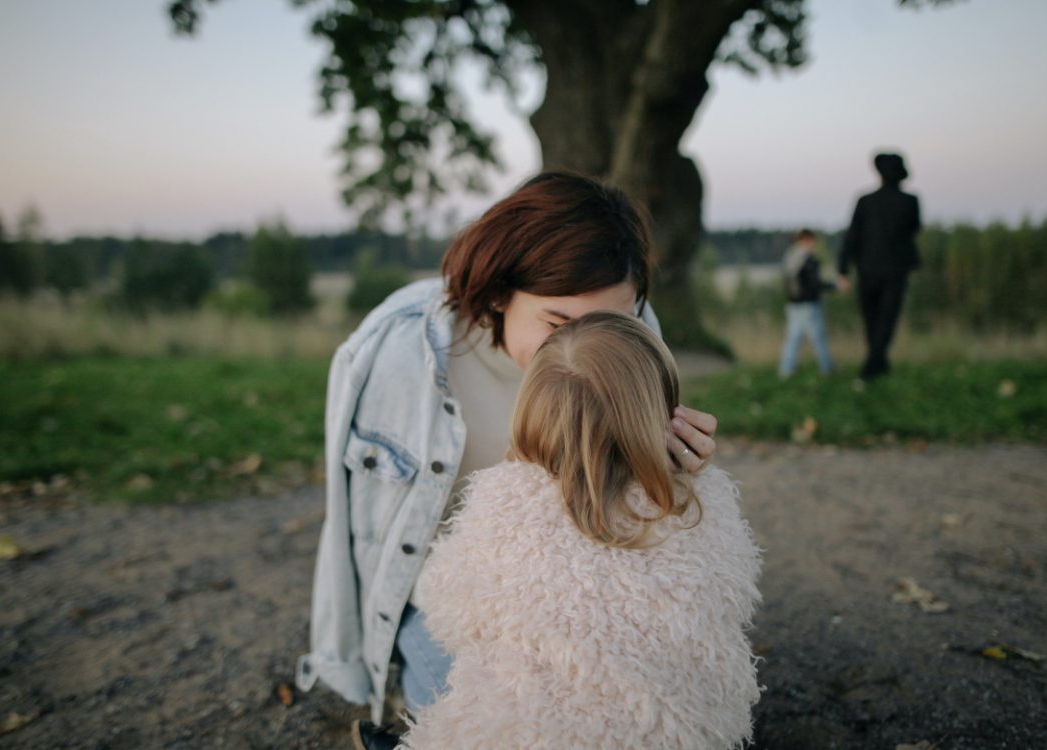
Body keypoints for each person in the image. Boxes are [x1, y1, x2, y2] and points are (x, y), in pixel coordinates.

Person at [295, 172, 721, 735]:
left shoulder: (638, 340)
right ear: (500, 292)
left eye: (613, 323)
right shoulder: (399, 354)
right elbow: (357, 530)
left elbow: (631, 514)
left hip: (575, 592)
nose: (585, 347)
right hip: (446, 600)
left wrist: (674, 467)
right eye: (557, 322)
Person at [399, 311, 762, 750]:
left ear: (532, 406)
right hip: (679, 734)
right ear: (663, 412)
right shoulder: (697, 501)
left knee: (418, 637)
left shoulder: (505, 497)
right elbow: (736, 598)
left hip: (529, 737)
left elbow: (448, 611)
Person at [837, 152, 922, 380]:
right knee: (887, 318)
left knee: (872, 318)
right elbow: (914, 229)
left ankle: (872, 366)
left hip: (868, 269)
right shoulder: (910, 202)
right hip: (896, 270)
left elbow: (852, 236)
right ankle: (877, 364)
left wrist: (843, 269)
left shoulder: (866, 201)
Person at [778, 228, 835, 378]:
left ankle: (786, 370)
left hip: (793, 304)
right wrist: (834, 286)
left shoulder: (790, 257)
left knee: (792, 339)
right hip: (809, 304)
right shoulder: (807, 259)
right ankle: (827, 368)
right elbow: (815, 283)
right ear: (806, 240)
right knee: (818, 338)